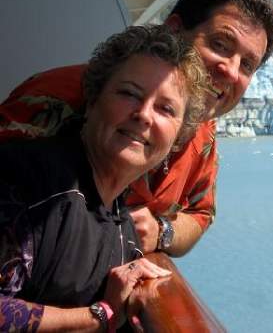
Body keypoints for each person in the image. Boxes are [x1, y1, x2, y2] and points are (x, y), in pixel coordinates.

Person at [0, 0, 273, 257]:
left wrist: (161, 232)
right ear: (174, 30)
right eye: (220, 45)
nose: (231, 72)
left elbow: (201, 213)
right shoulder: (55, 98)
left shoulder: (202, 134)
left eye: (247, 65)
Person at [0, 25, 208, 331]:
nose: (145, 115)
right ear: (93, 99)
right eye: (129, 93)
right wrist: (100, 314)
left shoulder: (121, 224)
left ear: (177, 138)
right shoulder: (27, 181)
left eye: (166, 109)